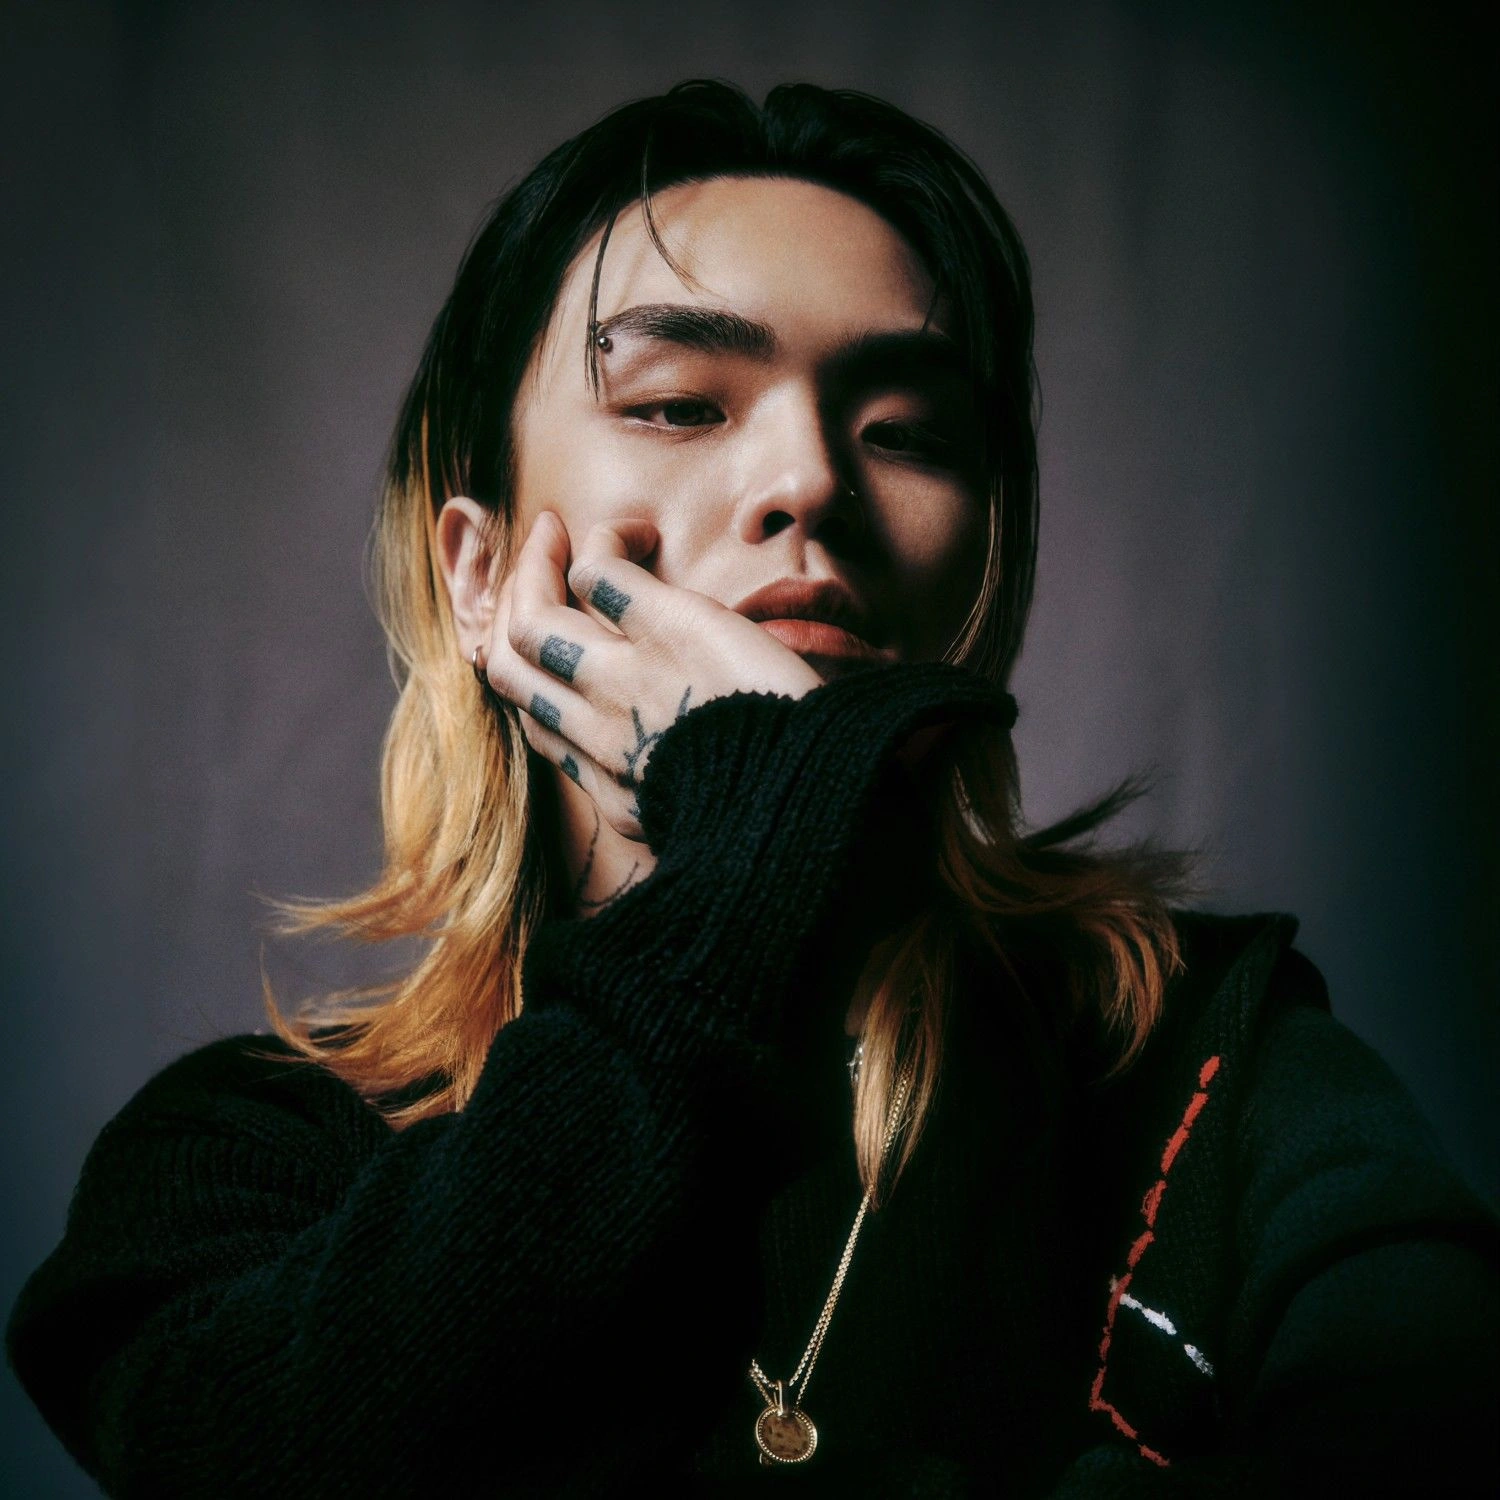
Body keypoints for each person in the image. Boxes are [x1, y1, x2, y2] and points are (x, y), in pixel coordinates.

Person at [7, 80, 1497, 1499]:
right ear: (479, 574)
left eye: (908, 432)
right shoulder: (250, 1157)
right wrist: (744, 867)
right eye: (677, 404)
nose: (812, 481)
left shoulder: (1211, 1066)